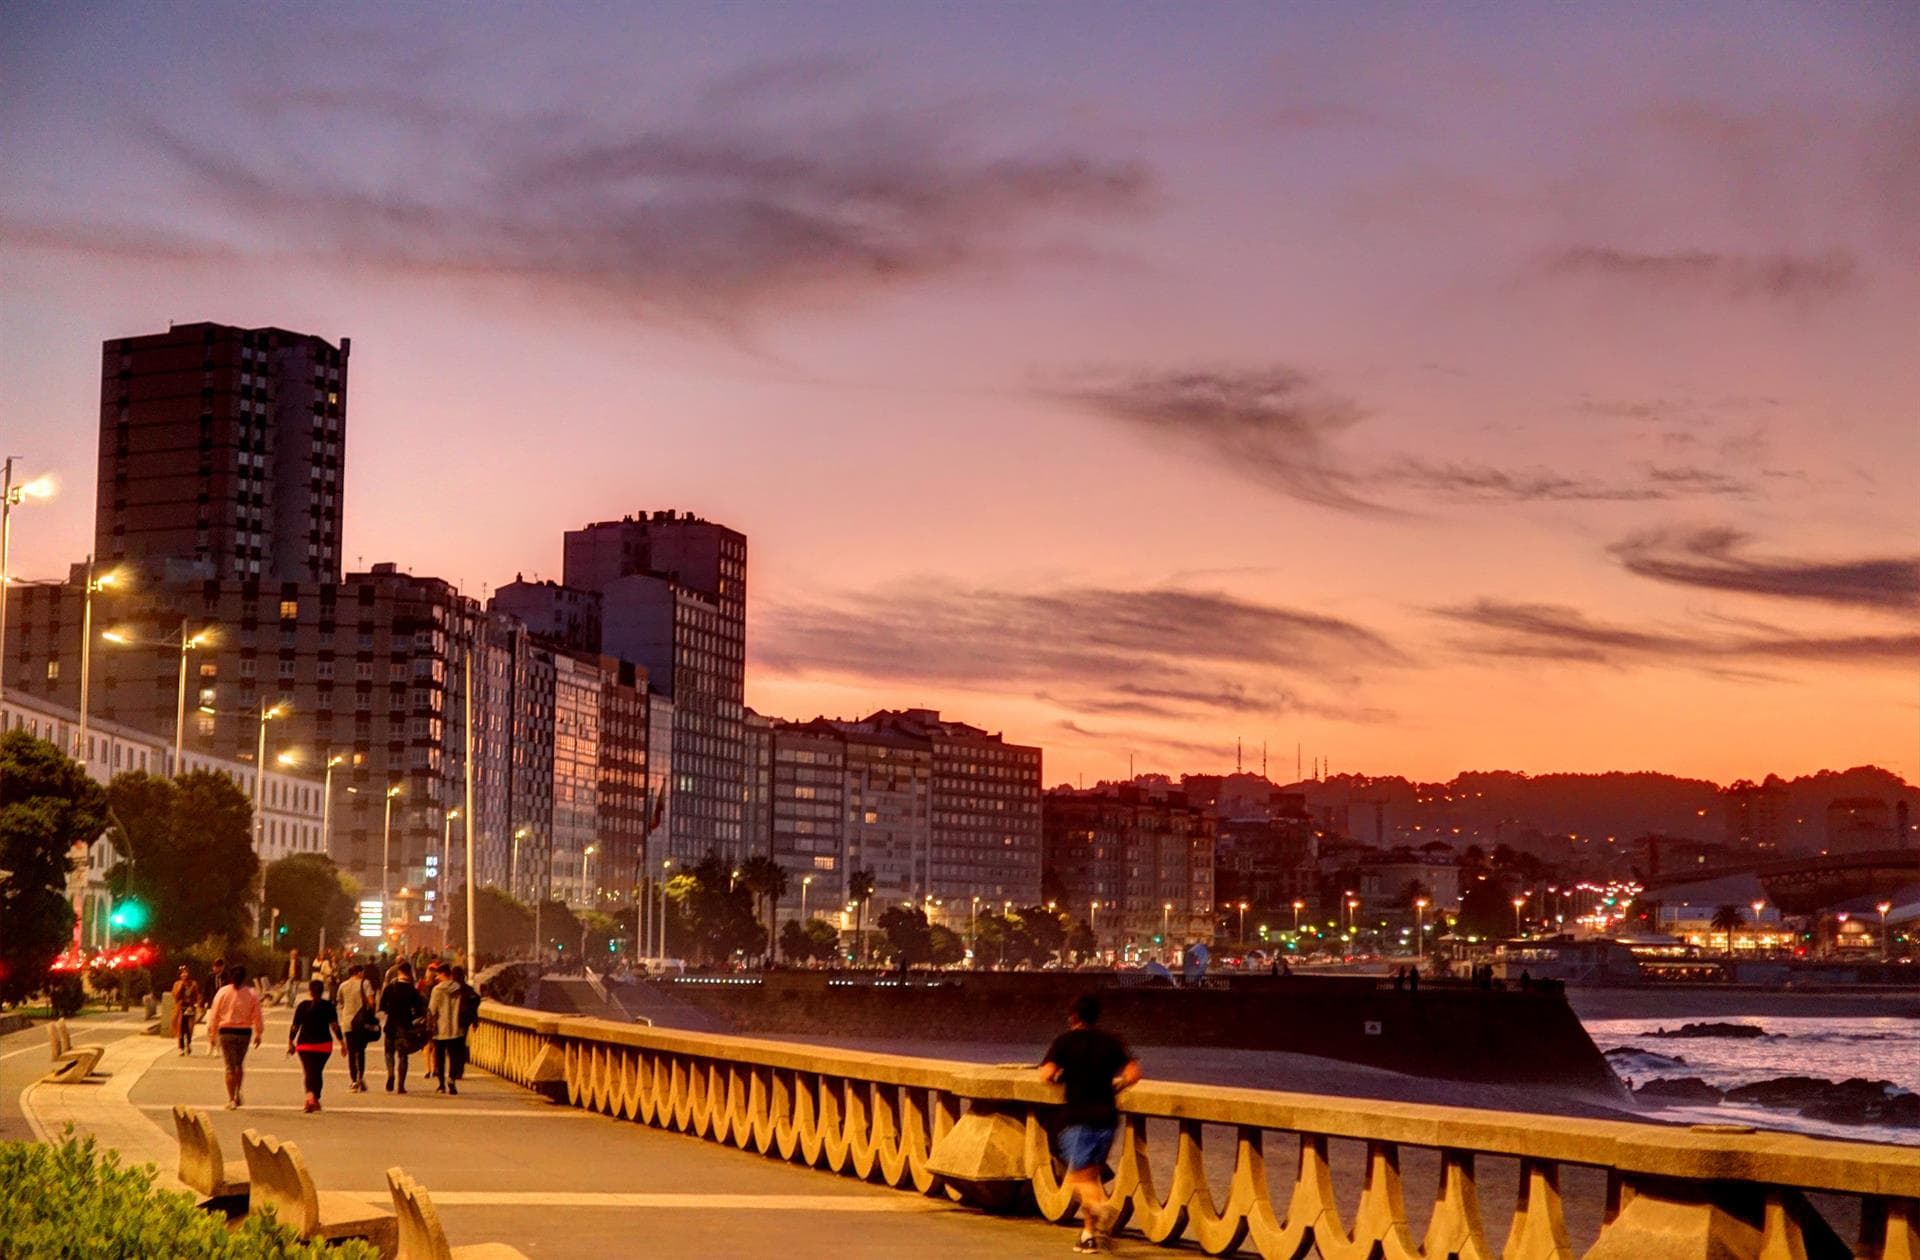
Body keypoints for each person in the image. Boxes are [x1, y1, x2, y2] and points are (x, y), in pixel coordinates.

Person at [1039, 994, 1142, 1253]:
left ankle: (1101, 1209)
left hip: (1078, 1115)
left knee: (1077, 1177)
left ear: (1073, 1016)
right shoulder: (1111, 1041)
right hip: (1107, 1116)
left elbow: (1047, 1074)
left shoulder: (1064, 1042)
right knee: (1091, 1176)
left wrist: (1060, 1079)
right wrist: (1118, 1084)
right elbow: (1133, 1073)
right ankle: (1088, 1234)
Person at [205, 965, 264, 1110]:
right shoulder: (251, 993)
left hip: (226, 1032)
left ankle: (231, 1099)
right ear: (245, 977)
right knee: (239, 1063)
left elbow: (214, 1014)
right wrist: (258, 1033)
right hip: (244, 1032)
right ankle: (238, 1092)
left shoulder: (222, 992)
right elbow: (257, 1015)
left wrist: (212, 1034)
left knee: (229, 1066)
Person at [286, 979, 343, 1113]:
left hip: (304, 1045)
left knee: (309, 1071)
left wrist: (290, 1042)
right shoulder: (328, 1006)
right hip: (324, 1045)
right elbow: (334, 1026)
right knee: (317, 1071)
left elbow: (295, 1026)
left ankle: (310, 1097)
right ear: (322, 991)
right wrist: (342, 1042)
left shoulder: (302, 1006)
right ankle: (315, 1098)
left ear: (310, 992)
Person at [378, 959, 427, 1093]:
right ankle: (401, 1085)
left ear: (398, 972)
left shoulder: (390, 987)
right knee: (403, 1055)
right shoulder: (412, 990)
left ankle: (390, 1073)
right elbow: (419, 1010)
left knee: (389, 1052)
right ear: (409, 973)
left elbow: (382, 1006)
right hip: (405, 1026)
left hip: (390, 1025)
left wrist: (389, 1010)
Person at [428, 965, 474, 1095]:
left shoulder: (437, 990)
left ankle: (441, 1084)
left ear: (443, 974)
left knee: (440, 1058)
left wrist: (430, 1025)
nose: (436, 977)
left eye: (438, 975)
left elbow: (432, 1009)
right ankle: (452, 1079)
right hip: (456, 1029)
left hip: (440, 1030)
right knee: (454, 1056)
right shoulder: (459, 989)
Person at [336, 962, 379, 1093]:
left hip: (347, 1023)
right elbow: (371, 1002)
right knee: (360, 1052)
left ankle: (353, 1081)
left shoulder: (343, 985)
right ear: (359, 973)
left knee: (351, 1052)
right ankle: (361, 1078)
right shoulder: (365, 983)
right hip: (361, 1024)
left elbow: (340, 1002)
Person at [168, 967, 203, 1056]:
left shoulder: (193, 984)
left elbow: (196, 995)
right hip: (180, 1008)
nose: (184, 974)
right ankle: (181, 1047)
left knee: (189, 1028)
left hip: (190, 1008)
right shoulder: (177, 984)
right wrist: (181, 987)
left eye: (186, 972)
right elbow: (175, 996)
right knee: (180, 1028)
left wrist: (197, 1005)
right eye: (182, 973)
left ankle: (189, 1044)